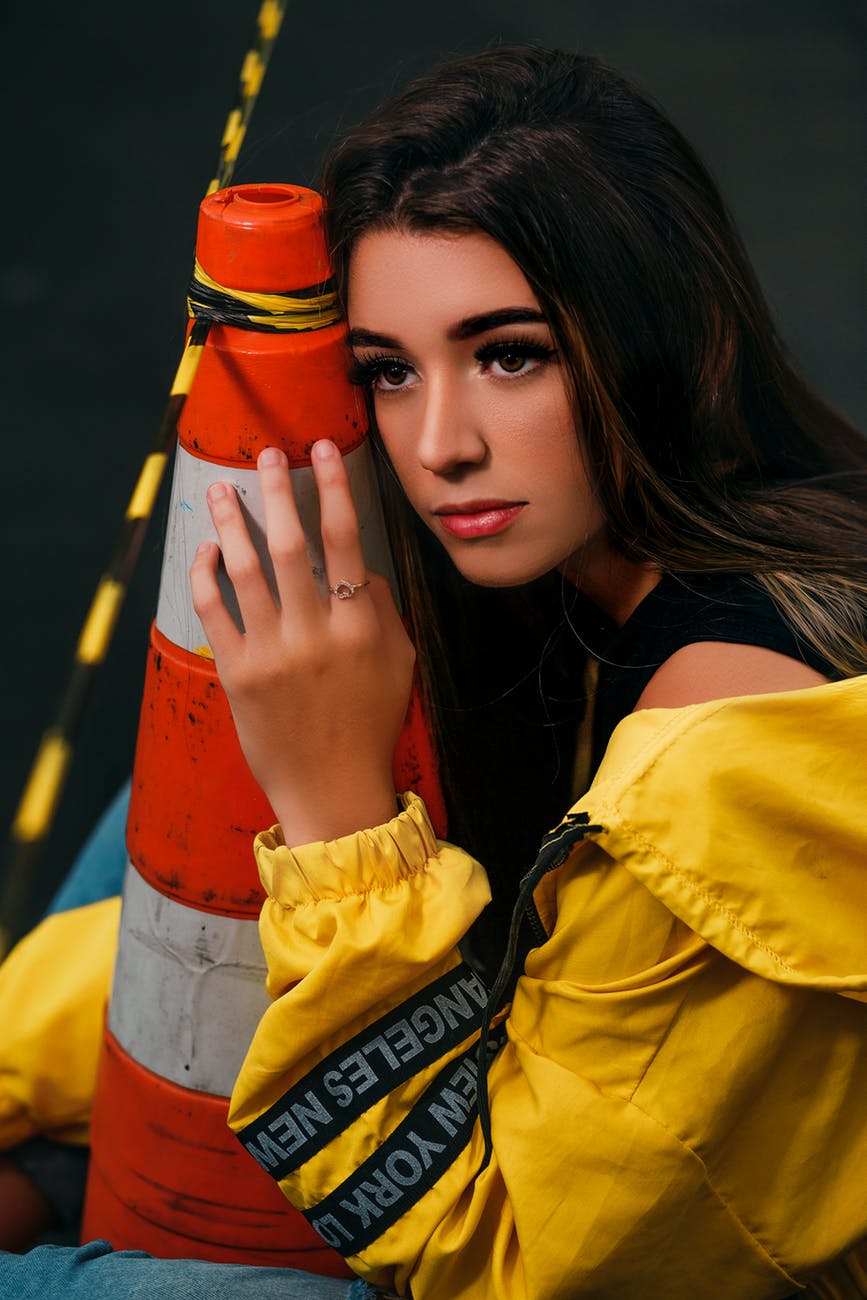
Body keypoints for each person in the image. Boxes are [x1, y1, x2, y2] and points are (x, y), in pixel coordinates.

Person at [2, 43, 866, 1299]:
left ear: (676, 335)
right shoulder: (604, 584)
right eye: (388, 372)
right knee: (191, 790)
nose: (438, 445)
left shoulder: (722, 733)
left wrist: (342, 819)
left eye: (510, 353)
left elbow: (507, 1263)